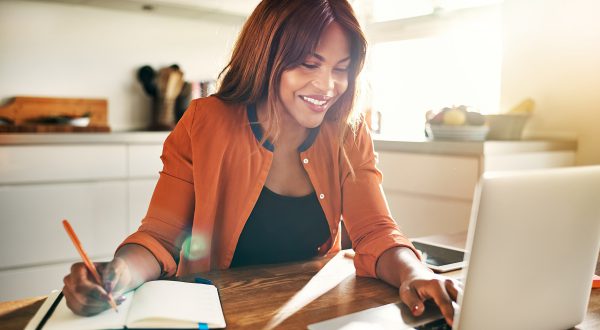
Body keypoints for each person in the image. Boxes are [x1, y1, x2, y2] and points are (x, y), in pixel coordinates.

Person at [62, 0, 461, 325]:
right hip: (214, 315)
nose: (328, 87)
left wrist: (415, 272)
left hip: (313, 313)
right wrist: (117, 276)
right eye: (309, 64)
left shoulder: (347, 129)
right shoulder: (205, 122)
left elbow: (375, 231)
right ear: (267, 56)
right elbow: (161, 238)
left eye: (341, 69)